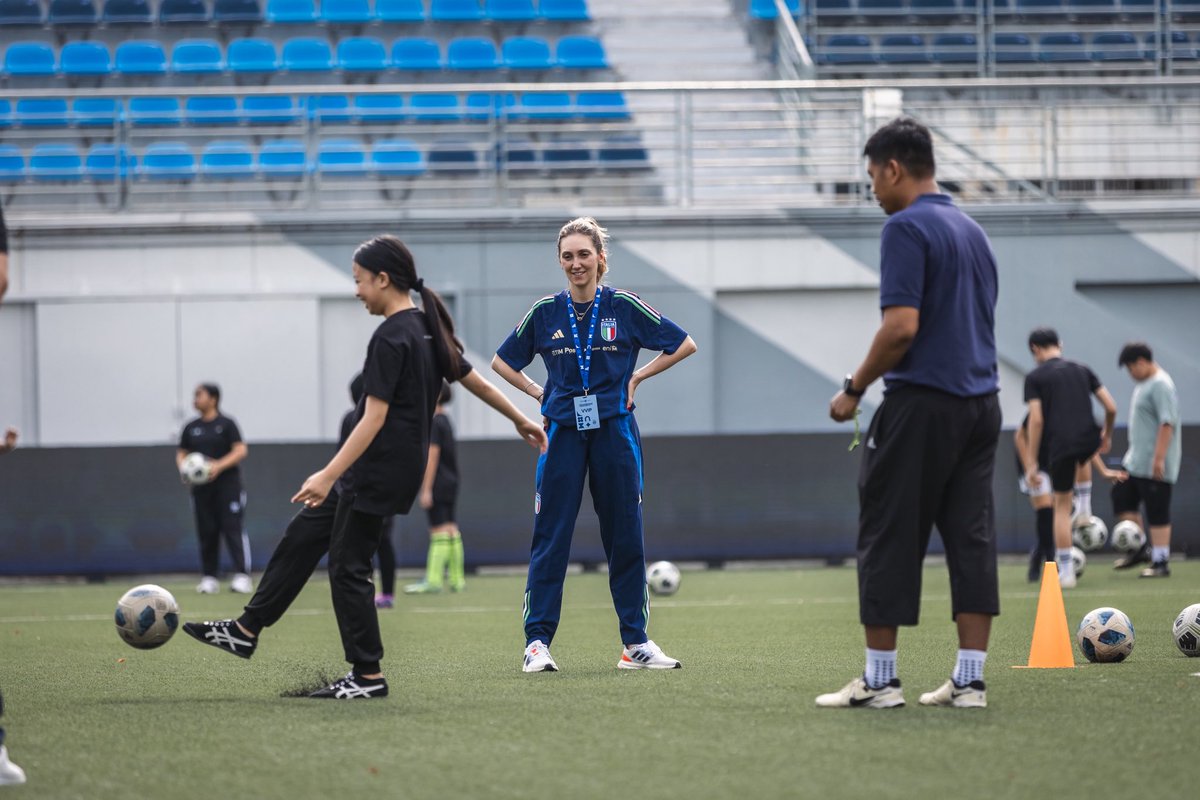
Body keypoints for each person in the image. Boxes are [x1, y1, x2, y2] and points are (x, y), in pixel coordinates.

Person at [183, 235, 546, 700]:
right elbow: (471, 378)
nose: (356, 291)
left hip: (377, 472)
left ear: (382, 279)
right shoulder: (426, 326)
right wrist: (520, 418)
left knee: (348, 567)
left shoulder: (393, 336)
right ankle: (246, 628)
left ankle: (367, 676)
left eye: (358, 281)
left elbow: (373, 418)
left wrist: (328, 473)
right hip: (383, 470)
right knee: (303, 536)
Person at [819, 118, 1001, 710]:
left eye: (873, 177)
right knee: (971, 539)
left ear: (894, 168)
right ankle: (970, 681)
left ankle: (879, 682)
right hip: (982, 407)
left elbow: (901, 329)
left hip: (921, 405)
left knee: (887, 534)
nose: (872, 190)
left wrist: (853, 387)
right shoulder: (973, 230)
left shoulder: (905, 228)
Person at [492, 216, 698, 674]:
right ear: (560, 262)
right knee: (551, 539)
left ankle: (635, 644)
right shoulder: (545, 312)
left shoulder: (623, 305)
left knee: (625, 537)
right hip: (561, 433)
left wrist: (638, 376)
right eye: (567, 256)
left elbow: (683, 343)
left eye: (584, 254)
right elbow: (501, 361)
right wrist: (536, 392)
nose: (575, 263)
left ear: (601, 260)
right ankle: (537, 644)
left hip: (615, 432)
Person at [1020, 328, 1117, 589]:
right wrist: (1106, 434)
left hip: (1059, 444)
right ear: (1059, 345)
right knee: (1082, 453)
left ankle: (1066, 571)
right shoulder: (1082, 369)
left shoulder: (1035, 377)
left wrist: (1031, 463)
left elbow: (1037, 420)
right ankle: (1084, 505)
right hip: (1087, 438)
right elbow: (1111, 406)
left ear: (1035, 349)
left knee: (1061, 507)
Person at [1111, 342, 1181, 578]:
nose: (1131, 374)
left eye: (1131, 368)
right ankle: (1141, 548)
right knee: (1121, 498)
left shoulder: (1161, 384)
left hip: (1155, 464)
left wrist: (1159, 459)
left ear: (1141, 362)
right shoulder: (1145, 384)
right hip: (1136, 462)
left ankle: (1161, 561)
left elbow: (1166, 422)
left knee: (1157, 510)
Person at [176, 383, 252, 595]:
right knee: (206, 531)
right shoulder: (191, 427)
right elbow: (182, 452)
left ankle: (242, 576)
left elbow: (240, 450)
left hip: (228, 487)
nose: (195, 399)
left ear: (213, 398)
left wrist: (217, 466)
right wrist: (184, 469)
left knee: (233, 529)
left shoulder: (227, 424)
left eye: (199, 395)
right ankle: (209, 577)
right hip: (201, 490)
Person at [339, 374, 398, 609]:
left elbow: (341, 455)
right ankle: (386, 593)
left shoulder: (353, 418)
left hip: (360, 489)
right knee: (383, 542)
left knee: (360, 543)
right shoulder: (384, 417)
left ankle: (365, 592)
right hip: (385, 487)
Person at [404, 382, 465, 595]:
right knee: (451, 529)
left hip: (439, 483)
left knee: (438, 530)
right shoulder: (445, 421)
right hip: (451, 482)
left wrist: (426, 488)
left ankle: (433, 580)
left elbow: (432, 456)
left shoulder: (434, 422)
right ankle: (457, 580)